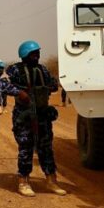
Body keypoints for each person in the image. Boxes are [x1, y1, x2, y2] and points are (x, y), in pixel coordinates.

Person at [4, 40, 67, 197]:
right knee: (26, 148)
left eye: (38, 53)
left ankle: (51, 181)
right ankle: (23, 181)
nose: (37, 56)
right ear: (25, 55)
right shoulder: (14, 70)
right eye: (33, 53)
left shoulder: (42, 70)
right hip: (24, 116)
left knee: (46, 148)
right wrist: (19, 92)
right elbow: (1, 84)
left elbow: (53, 83)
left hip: (42, 115)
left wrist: (52, 85)